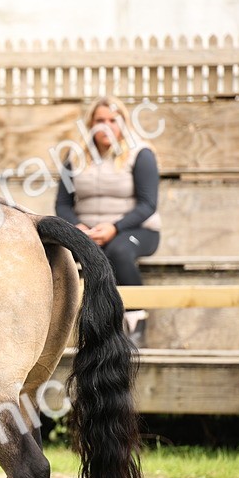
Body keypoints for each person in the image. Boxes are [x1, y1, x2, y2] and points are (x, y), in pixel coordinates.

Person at [54, 95, 161, 347]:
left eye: (113, 120)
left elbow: (148, 204)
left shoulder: (141, 154)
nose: (106, 125)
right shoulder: (74, 157)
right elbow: (62, 204)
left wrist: (115, 228)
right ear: (90, 124)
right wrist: (76, 228)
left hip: (136, 231)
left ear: (123, 123)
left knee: (119, 251)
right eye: (99, 120)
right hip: (89, 233)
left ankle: (135, 320)